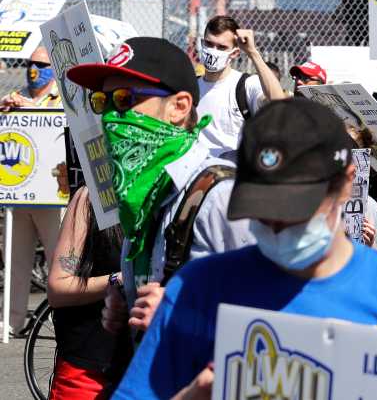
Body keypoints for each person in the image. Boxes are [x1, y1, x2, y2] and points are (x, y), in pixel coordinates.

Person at [108, 99, 377, 400]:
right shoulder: (197, 288)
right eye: (263, 210)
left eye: (296, 209)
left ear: (346, 184)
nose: (277, 226)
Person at [64, 37, 254, 346]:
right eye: (103, 101)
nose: (111, 116)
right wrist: (127, 305)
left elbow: (275, 309)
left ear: (179, 107)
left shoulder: (221, 195)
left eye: (125, 100)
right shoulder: (146, 198)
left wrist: (183, 313)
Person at [0, 43, 65, 335]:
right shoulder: (17, 97)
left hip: (52, 195)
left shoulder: (61, 97)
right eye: (29, 64)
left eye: (41, 64)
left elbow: (63, 125)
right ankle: (12, 321)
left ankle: (61, 318)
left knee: (58, 260)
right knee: (15, 259)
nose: (34, 70)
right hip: (20, 191)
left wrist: (33, 109)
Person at [47, 185, 123, 400]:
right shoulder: (94, 196)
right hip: (88, 371)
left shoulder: (174, 192)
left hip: (147, 369)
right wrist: (118, 279)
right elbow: (58, 287)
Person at [193, 15, 286, 158]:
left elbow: (278, 103)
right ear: (202, 43)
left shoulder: (245, 85)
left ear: (235, 53)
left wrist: (252, 52)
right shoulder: (191, 86)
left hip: (231, 171)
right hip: (195, 171)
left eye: (222, 47)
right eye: (209, 44)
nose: (213, 51)